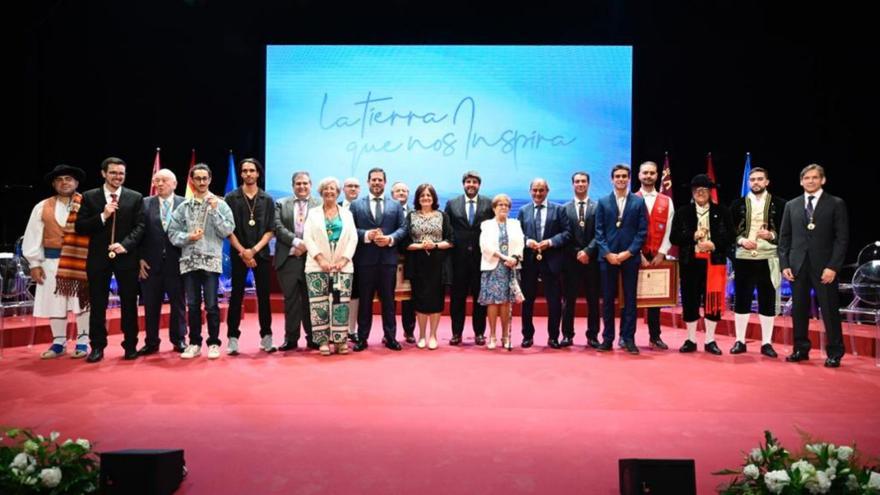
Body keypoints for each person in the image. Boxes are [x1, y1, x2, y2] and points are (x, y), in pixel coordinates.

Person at [779, 164, 849, 368]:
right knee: (799, 310)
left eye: (815, 177)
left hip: (825, 267)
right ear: (801, 181)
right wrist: (785, 264)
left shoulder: (836, 203)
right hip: (797, 266)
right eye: (806, 178)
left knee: (829, 310)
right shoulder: (791, 205)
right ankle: (800, 349)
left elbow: (842, 239)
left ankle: (835, 352)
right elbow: (784, 238)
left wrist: (833, 267)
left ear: (823, 180)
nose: (810, 181)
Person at [75, 157, 145, 362]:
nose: (118, 177)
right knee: (97, 304)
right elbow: (80, 227)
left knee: (130, 303)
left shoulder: (135, 197)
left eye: (121, 173)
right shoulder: (89, 197)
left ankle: (130, 345)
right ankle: (97, 346)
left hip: (127, 258)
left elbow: (140, 227)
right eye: (113, 172)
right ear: (103, 173)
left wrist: (125, 245)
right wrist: (103, 216)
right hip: (98, 259)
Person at [22, 164, 91, 359]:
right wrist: (34, 264)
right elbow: (33, 235)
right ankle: (59, 342)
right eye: (60, 180)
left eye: (68, 179)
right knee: (56, 303)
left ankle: (83, 341)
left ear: (76, 183)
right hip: (51, 263)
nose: (64, 182)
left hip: (80, 261)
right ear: (54, 184)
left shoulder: (87, 203)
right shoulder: (42, 206)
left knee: (82, 302)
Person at [168, 164, 235, 359]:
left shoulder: (220, 204)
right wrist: (189, 237)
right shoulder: (183, 207)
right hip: (189, 261)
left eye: (205, 178)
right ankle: (194, 343)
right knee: (193, 305)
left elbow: (228, 230)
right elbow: (172, 233)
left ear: (210, 179)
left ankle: (213, 343)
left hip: (211, 261)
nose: (202, 182)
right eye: (198, 178)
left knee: (212, 305)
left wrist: (214, 211)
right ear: (192, 181)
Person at [670, 174, 734, 355]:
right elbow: (673, 237)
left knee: (712, 302)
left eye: (704, 190)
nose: (701, 193)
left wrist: (714, 244)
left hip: (714, 263)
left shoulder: (722, 211)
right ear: (692, 192)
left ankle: (710, 340)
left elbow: (730, 236)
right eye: (697, 190)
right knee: (690, 301)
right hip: (690, 263)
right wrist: (692, 236)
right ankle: (690, 339)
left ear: (710, 192)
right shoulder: (683, 212)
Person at [349, 167, 408, 351]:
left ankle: (390, 337)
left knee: (389, 302)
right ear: (368, 182)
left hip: (388, 261)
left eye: (380, 180)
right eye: (373, 180)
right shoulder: (356, 205)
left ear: (385, 182)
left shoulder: (396, 205)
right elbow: (351, 230)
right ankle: (362, 338)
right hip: (365, 262)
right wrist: (367, 235)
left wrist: (390, 239)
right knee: (364, 302)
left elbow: (403, 228)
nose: (376, 183)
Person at [729, 166, 786, 357]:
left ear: (767, 182)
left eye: (760, 179)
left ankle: (767, 343)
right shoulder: (737, 205)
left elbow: (787, 234)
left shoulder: (780, 204)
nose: (756, 182)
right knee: (742, 300)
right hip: (744, 259)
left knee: (767, 300)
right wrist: (741, 240)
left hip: (769, 258)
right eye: (752, 179)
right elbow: (729, 232)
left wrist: (771, 234)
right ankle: (739, 341)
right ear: (748, 182)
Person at [594, 164, 648, 354]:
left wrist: (629, 252)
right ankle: (607, 338)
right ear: (612, 179)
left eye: (624, 176)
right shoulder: (602, 202)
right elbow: (598, 232)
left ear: (629, 178)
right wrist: (608, 253)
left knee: (630, 300)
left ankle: (628, 338)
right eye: (617, 176)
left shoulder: (638, 202)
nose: (621, 179)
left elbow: (642, 232)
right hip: (607, 258)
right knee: (607, 299)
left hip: (630, 258)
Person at [225, 158, 276, 355]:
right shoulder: (231, 198)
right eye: (244, 171)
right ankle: (232, 338)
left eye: (251, 170)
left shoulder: (267, 199)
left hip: (261, 254)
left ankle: (267, 336)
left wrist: (253, 251)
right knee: (236, 296)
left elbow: (270, 230)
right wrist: (243, 252)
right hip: (238, 253)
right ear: (241, 174)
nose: (248, 174)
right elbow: (228, 229)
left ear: (258, 174)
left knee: (264, 297)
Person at [303, 177, 358, 355]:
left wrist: (343, 260)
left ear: (338, 192)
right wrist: (321, 260)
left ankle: (341, 341)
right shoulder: (313, 213)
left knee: (341, 304)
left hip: (343, 267)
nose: (329, 191)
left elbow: (353, 239)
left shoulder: (347, 214)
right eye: (326, 188)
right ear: (320, 192)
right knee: (319, 305)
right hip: (317, 266)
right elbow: (308, 238)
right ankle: (323, 341)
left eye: (333, 189)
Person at [138, 168, 187, 355]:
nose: (159, 184)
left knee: (178, 304)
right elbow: (137, 233)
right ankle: (151, 342)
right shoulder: (144, 204)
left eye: (164, 180)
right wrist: (138, 259)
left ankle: (179, 339)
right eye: (156, 180)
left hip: (178, 263)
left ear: (174, 184)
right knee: (150, 305)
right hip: (150, 264)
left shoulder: (185, 204)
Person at [517, 178, 570, 348]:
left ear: (547, 191)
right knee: (527, 301)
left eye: (541, 190)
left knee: (554, 302)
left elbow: (567, 233)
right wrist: (527, 241)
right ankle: (527, 336)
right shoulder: (523, 210)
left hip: (552, 261)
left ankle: (553, 337)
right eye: (535, 190)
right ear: (530, 191)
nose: (538, 194)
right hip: (530, 262)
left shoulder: (559, 209)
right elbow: (518, 234)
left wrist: (550, 242)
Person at [274, 171, 321, 352]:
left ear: (310, 184)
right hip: (288, 259)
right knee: (291, 301)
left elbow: (322, 229)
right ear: (293, 185)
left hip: (312, 259)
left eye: (305, 183)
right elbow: (277, 226)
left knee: (312, 301)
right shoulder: (280, 203)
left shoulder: (320, 204)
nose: (302, 186)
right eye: (298, 183)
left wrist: (307, 244)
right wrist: (296, 241)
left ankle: (314, 338)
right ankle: (291, 339)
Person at [444, 171, 493, 346]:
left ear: (479, 185)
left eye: (474, 182)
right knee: (457, 299)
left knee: (480, 299)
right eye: (468, 182)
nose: (471, 185)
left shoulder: (489, 203)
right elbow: (447, 229)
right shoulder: (452, 203)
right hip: (458, 260)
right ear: (463, 184)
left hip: (482, 260)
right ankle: (456, 333)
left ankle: (479, 333)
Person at [404, 183, 453, 349]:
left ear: (434, 198)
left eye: (429, 195)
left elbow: (451, 240)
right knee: (420, 299)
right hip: (417, 263)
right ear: (418, 198)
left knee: (436, 300)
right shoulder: (411, 216)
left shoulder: (443, 216)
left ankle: (433, 335)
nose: (426, 198)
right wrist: (420, 246)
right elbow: (405, 242)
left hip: (438, 264)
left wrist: (435, 245)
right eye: (422, 195)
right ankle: (422, 335)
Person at [635, 161, 675, 350]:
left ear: (657, 175)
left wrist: (662, 252)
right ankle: (627, 336)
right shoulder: (631, 198)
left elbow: (670, 229)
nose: (648, 176)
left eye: (652, 173)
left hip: (658, 256)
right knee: (630, 298)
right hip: (635, 256)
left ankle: (655, 336)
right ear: (639, 175)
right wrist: (637, 254)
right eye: (645, 173)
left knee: (655, 300)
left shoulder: (666, 201)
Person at [478, 194, 524, 350]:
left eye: (506, 205)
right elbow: (485, 246)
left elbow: (520, 244)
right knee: (492, 303)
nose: (503, 207)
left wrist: (515, 258)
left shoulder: (515, 224)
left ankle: (505, 336)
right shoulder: (486, 224)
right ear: (494, 208)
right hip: (493, 266)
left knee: (505, 303)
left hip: (510, 267)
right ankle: (492, 336)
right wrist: (504, 257)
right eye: (500, 205)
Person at [561, 171, 601, 348]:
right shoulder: (564, 208)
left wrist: (588, 251)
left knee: (593, 301)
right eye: (577, 181)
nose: (580, 184)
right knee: (569, 300)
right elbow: (564, 235)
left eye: (583, 181)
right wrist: (578, 253)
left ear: (588, 184)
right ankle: (567, 335)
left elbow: (600, 233)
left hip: (592, 261)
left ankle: (593, 336)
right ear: (572, 184)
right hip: (571, 262)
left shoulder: (598, 207)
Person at [392, 181, 416, 343]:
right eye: (397, 191)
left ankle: (409, 332)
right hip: (390, 259)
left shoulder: (416, 213)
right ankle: (390, 333)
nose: (401, 193)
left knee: (409, 299)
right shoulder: (387, 211)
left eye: (404, 190)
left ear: (408, 193)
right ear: (392, 194)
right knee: (389, 298)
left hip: (411, 260)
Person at [340, 177, 361, 342]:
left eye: (356, 186)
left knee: (355, 294)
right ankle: (338, 329)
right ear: (343, 189)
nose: (353, 189)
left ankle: (351, 330)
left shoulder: (363, 207)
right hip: (337, 259)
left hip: (360, 258)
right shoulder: (334, 207)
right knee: (338, 293)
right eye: (349, 186)